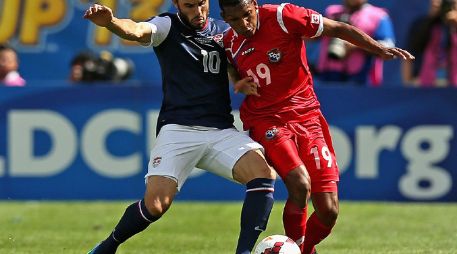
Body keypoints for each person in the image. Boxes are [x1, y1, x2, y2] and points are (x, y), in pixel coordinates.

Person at [219, 0, 414, 253]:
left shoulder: (283, 16)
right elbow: (225, 61)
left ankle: (303, 249)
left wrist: (377, 48)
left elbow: (337, 28)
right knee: (300, 184)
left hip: (308, 117)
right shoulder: (226, 41)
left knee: (329, 210)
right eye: (234, 20)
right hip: (266, 119)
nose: (243, 24)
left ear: (254, 6)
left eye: (247, 15)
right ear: (224, 17)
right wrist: (238, 80)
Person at [83, 1, 276, 254]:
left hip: (220, 129)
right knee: (155, 205)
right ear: (176, 4)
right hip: (178, 130)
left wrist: (238, 80)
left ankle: (244, 252)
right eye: (189, 5)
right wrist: (110, 22)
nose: (197, 11)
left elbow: (229, 63)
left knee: (263, 174)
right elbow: (136, 29)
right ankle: (108, 246)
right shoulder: (167, 25)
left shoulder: (223, 30)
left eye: (201, 4)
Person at [314, 0, 396, 86]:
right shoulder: (330, 12)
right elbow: (309, 36)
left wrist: (357, 45)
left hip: (361, 82)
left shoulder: (379, 16)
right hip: (325, 80)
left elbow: (389, 49)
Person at [402, 0, 457, 87]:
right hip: (424, 83)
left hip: (453, 84)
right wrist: (408, 84)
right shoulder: (420, 24)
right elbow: (409, 54)